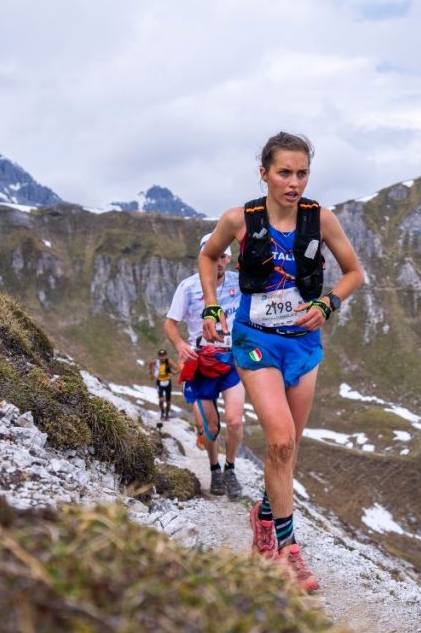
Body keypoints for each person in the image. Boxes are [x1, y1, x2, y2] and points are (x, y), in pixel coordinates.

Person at [199, 132, 364, 593]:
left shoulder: (320, 219)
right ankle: (289, 552)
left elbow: (355, 273)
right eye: (284, 173)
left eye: (302, 173)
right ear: (264, 173)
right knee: (281, 438)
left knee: (287, 449)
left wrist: (328, 303)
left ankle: (264, 517)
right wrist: (212, 307)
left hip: (303, 345)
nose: (294, 183)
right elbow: (208, 257)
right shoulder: (239, 219)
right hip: (256, 341)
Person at [163, 233, 245, 499]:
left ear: (228, 259)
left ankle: (230, 469)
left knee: (234, 420)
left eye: (223, 256)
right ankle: (214, 469)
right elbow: (170, 323)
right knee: (210, 427)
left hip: (231, 359)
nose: (218, 261)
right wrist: (180, 345)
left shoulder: (239, 283)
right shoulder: (188, 287)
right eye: (213, 256)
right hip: (200, 360)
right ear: (203, 257)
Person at [148, 349, 174, 420]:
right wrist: (151, 373)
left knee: (168, 401)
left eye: (163, 356)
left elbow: (177, 368)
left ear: (166, 356)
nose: (162, 357)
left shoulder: (169, 361)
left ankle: (167, 415)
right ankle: (162, 413)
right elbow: (150, 364)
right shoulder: (155, 361)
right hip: (159, 382)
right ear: (158, 356)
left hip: (168, 382)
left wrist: (172, 373)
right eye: (160, 356)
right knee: (161, 399)